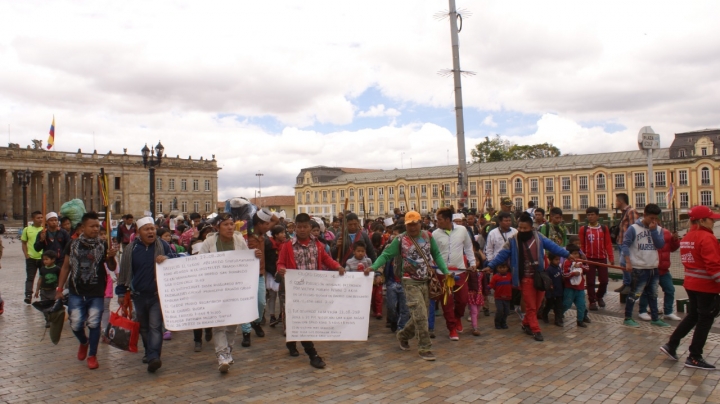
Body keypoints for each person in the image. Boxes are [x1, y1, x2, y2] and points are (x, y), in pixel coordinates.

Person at [367, 211, 452, 361]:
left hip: (425, 280)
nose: (412, 227)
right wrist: (373, 267)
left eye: (415, 224)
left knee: (421, 315)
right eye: (409, 225)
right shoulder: (400, 240)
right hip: (409, 281)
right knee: (420, 314)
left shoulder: (428, 236)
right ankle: (425, 347)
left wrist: (445, 271)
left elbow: (436, 254)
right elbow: (386, 255)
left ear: (420, 223)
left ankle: (403, 335)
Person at [483, 213, 570, 342]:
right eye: (520, 228)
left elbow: (554, 247)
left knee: (537, 303)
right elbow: (502, 255)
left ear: (531, 228)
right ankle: (536, 330)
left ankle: (525, 323)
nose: (522, 231)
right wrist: (491, 265)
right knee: (530, 306)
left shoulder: (539, 237)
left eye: (525, 228)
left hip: (539, 276)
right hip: (525, 278)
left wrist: (568, 254)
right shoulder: (513, 240)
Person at [277, 213, 346, 369]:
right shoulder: (287, 246)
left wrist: (337, 266)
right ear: (295, 227)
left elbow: (326, 259)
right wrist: (281, 269)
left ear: (310, 227)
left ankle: (292, 341)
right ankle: (312, 354)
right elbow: (280, 262)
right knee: (298, 320)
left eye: (305, 227)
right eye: (299, 227)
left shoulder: (317, 245)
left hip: (311, 291)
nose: (302, 230)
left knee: (302, 321)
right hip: (294, 291)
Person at [197, 213, 262, 373]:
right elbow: (199, 262)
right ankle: (221, 355)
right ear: (217, 227)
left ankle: (228, 351)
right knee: (219, 324)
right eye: (225, 224)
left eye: (231, 224)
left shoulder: (239, 241)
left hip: (235, 288)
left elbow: (246, 260)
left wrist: (254, 256)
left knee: (233, 323)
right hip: (216, 289)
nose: (230, 227)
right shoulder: (209, 242)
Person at [660, 206, 720, 370]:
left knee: (693, 316)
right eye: (711, 219)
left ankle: (671, 344)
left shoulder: (687, 237)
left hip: (691, 283)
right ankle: (694, 356)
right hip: (706, 286)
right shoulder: (707, 238)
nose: (713, 222)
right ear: (701, 221)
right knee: (705, 320)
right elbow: (713, 266)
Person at [55, 212, 117, 370]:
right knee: (75, 324)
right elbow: (66, 266)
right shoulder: (73, 244)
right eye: (92, 226)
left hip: (96, 291)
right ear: (82, 228)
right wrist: (60, 288)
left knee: (94, 323)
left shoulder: (103, 244)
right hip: (76, 290)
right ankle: (84, 342)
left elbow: (111, 267)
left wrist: (111, 257)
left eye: (98, 226)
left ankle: (93, 355)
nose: (96, 229)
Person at [116, 216, 178, 372]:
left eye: (152, 228)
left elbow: (176, 260)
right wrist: (122, 293)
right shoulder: (131, 249)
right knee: (143, 327)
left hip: (157, 294)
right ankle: (149, 351)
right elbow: (124, 273)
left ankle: (154, 356)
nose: (151, 232)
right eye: (147, 229)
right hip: (138, 295)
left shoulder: (162, 245)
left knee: (155, 326)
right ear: (139, 232)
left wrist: (167, 258)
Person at [621, 203, 669, 328]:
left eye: (655, 218)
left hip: (653, 266)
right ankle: (628, 317)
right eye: (651, 218)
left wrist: (653, 231)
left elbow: (660, 245)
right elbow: (625, 245)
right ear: (645, 215)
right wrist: (628, 261)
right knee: (635, 293)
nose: (653, 221)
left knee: (653, 294)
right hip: (639, 267)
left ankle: (655, 318)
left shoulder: (658, 229)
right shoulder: (634, 228)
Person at [432, 208, 476, 341]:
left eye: (439, 219)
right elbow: (431, 253)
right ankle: (451, 328)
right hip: (443, 273)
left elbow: (468, 247)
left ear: (447, 220)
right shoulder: (434, 234)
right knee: (447, 302)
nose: (437, 222)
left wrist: (472, 262)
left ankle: (458, 318)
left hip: (461, 270)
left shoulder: (462, 230)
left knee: (462, 300)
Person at [241, 208, 276, 348]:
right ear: (259, 224)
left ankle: (256, 322)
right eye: (265, 224)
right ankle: (246, 333)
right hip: (246, 276)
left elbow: (276, 220)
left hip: (260, 274)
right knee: (246, 304)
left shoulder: (262, 234)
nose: (268, 226)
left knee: (261, 303)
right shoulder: (245, 235)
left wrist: (262, 211)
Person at [639, 227, 681, 322]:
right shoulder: (645, 233)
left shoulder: (666, 232)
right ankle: (642, 311)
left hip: (664, 269)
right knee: (648, 291)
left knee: (670, 289)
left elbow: (671, 248)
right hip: (651, 268)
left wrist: (675, 240)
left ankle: (668, 312)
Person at [578, 207, 614, 310]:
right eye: (588, 215)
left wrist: (611, 257)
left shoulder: (604, 228)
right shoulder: (583, 229)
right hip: (589, 259)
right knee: (590, 282)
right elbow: (581, 245)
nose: (590, 217)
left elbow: (608, 243)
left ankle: (599, 296)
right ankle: (592, 301)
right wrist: (582, 258)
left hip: (602, 258)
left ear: (597, 216)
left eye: (592, 214)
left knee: (604, 281)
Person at [384, 223, 410, 333]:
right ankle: (393, 320)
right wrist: (377, 272)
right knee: (391, 306)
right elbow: (383, 260)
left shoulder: (409, 248)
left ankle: (401, 328)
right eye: (393, 236)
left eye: (397, 236)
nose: (394, 238)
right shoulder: (388, 247)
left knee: (405, 308)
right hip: (391, 281)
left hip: (405, 282)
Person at [614, 193, 640, 294]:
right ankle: (626, 283)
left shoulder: (631, 211)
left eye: (616, 201)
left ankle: (630, 284)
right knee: (623, 264)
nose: (615, 203)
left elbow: (634, 228)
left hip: (626, 243)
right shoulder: (624, 212)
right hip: (621, 242)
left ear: (620, 202)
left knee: (624, 262)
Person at [562, 245, 590, 329]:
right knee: (566, 304)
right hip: (569, 288)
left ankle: (580, 320)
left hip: (580, 288)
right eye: (574, 254)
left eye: (577, 253)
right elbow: (564, 274)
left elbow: (587, 268)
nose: (576, 255)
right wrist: (573, 273)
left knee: (581, 305)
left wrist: (583, 263)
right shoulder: (566, 262)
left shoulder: (580, 262)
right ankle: (559, 314)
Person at [22, 211, 45, 304]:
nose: (40, 219)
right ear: (33, 219)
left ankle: (43, 294)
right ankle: (28, 295)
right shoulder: (27, 229)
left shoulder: (44, 229)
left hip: (43, 258)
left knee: (44, 277)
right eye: (38, 218)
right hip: (31, 258)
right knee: (30, 278)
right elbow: (24, 243)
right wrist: (26, 255)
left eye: (41, 217)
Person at [266, 225, 286, 327]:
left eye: (284, 232)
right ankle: (272, 316)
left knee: (282, 295)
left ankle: (281, 315)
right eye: (281, 233)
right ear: (275, 235)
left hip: (282, 272)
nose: (284, 235)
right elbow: (268, 261)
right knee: (272, 295)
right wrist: (273, 272)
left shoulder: (285, 245)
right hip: (271, 272)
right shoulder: (269, 245)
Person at [542, 254, 564, 327]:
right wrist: (548, 292)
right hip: (552, 292)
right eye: (556, 260)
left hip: (559, 291)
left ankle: (558, 320)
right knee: (549, 305)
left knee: (558, 306)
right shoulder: (549, 270)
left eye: (558, 259)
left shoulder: (558, 268)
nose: (558, 261)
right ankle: (544, 315)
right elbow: (547, 281)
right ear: (551, 260)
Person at [489, 263, 513, 329]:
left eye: (504, 267)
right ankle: (497, 323)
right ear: (497, 269)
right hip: (498, 297)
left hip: (507, 297)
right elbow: (491, 285)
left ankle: (503, 322)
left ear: (507, 268)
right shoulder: (495, 277)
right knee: (500, 310)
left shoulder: (510, 276)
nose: (502, 269)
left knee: (506, 311)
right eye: (500, 267)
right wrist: (486, 288)